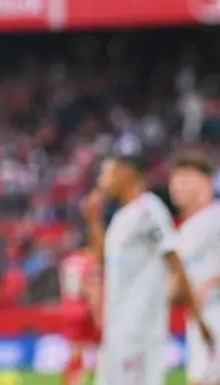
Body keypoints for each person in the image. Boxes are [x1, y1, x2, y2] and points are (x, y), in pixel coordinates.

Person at [83, 155, 214, 385]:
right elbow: (106, 260)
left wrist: (197, 315)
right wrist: (94, 221)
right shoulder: (122, 216)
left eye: (107, 173)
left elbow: (174, 259)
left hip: (139, 331)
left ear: (126, 173)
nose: (102, 181)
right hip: (117, 328)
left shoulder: (149, 210)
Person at [170, 155, 220, 385]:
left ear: (205, 181)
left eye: (184, 178)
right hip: (199, 323)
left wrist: (209, 283)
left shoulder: (216, 217)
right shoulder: (185, 229)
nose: (175, 186)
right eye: (173, 180)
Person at [58, 244, 101, 385]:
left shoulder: (68, 261)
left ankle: (71, 382)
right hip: (84, 308)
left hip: (68, 307)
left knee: (75, 350)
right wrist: (97, 314)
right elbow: (93, 289)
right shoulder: (91, 260)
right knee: (102, 347)